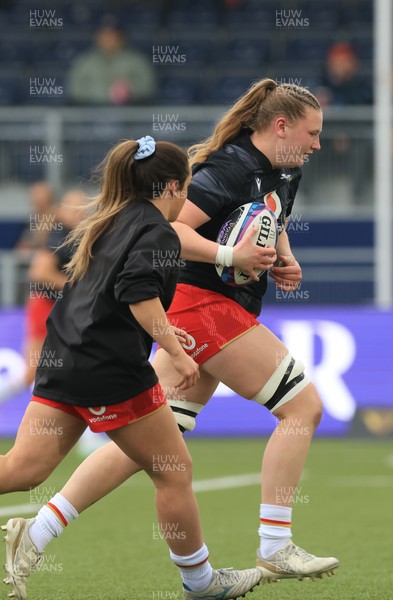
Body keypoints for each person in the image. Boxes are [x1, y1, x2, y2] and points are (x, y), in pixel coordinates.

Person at [5, 79, 339, 586]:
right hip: (201, 308)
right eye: (312, 132)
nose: (317, 143)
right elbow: (175, 231)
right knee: (301, 407)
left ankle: (39, 532)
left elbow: (266, 216)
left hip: (152, 328)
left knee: (151, 445)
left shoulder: (280, 171)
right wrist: (231, 259)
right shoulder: (228, 167)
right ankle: (274, 545)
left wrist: (282, 258)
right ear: (280, 125)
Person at [0, 136, 263, 600]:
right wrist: (179, 356)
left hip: (67, 359)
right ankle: (202, 584)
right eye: (187, 188)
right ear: (173, 188)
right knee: (174, 470)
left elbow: (113, 299)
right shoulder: (158, 231)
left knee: (22, 469)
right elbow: (137, 293)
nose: (189, 198)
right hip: (110, 371)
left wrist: (165, 335)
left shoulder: (110, 219)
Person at [0, 190, 87, 406]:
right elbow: (39, 272)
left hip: (60, 308)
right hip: (45, 305)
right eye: (76, 209)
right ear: (63, 210)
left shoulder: (71, 235)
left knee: (73, 366)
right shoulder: (59, 236)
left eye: (84, 208)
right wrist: (78, 287)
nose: (81, 214)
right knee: (33, 372)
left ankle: (87, 433)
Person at [67, 21, 157, 105]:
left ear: (121, 37)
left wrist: (130, 91)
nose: (108, 39)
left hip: (130, 112)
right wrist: (103, 94)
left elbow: (148, 87)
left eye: (112, 35)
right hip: (92, 112)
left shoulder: (137, 60)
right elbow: (74, 89)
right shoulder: (84, 61)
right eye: (104, 35)